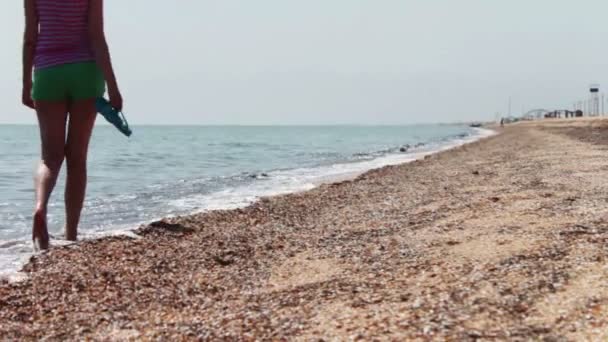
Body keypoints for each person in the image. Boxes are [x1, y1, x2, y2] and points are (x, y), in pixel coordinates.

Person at [22, 0, 123, 250]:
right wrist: (113, 86)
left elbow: (30, 38)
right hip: (86, 72)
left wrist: (26, 83)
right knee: (76, 158)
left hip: (47, 74)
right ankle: (71, 233)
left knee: (49, 157)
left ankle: (40, 207)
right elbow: (97, 38)